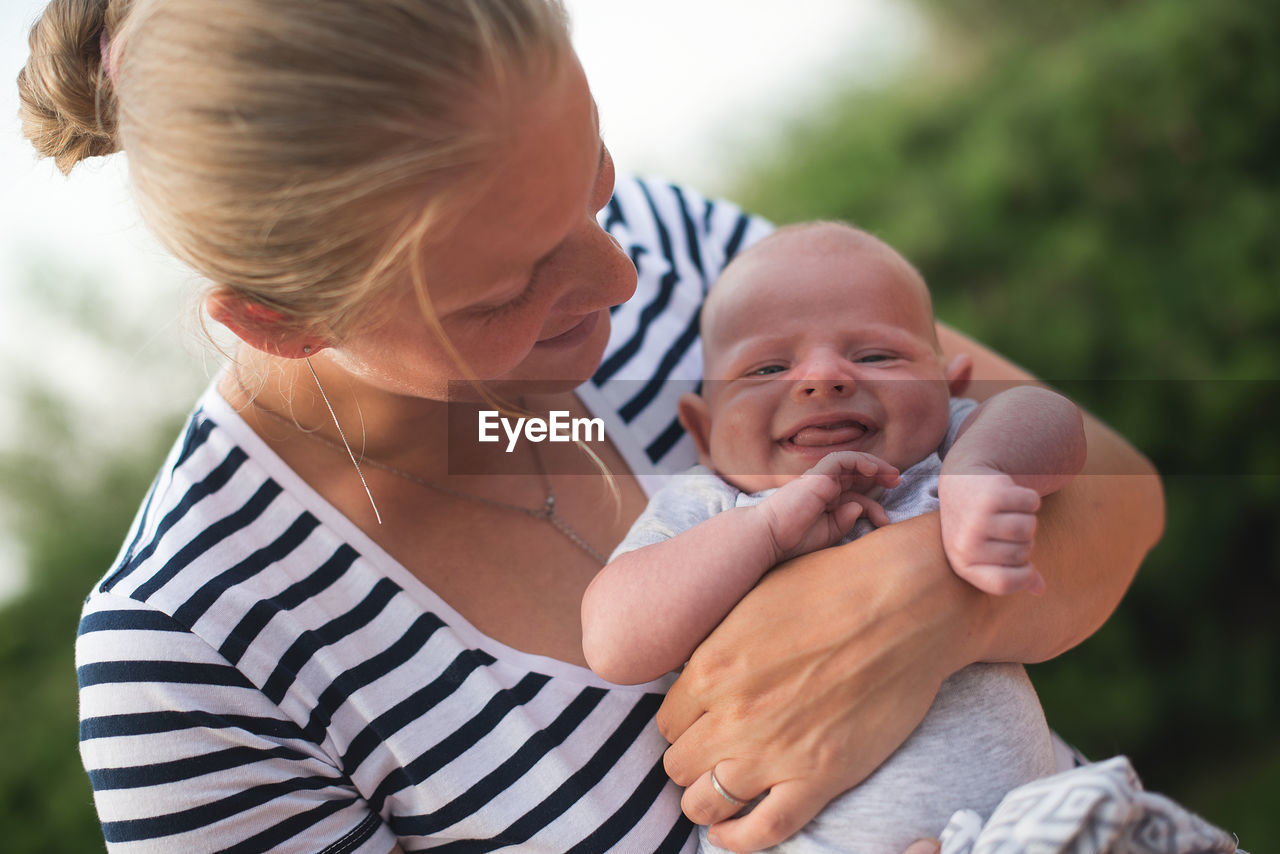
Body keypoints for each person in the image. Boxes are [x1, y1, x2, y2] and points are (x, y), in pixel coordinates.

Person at [19, 1, 1164, 852]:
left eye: (593, 180)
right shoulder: (195, 656)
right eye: (504, 289)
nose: (618, 275)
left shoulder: (686, 261)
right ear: (277, 321)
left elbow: (1112, 488)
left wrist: (921, 602)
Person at [582, 222, 1087, 852]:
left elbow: (1050, 417)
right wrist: (763, 531)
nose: (822, 377)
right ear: (703, 431)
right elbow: (613, 639)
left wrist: (980, 471)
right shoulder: (717, 504)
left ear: (949, 386)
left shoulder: (948, 457)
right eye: (768, 367)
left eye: (876, 355)